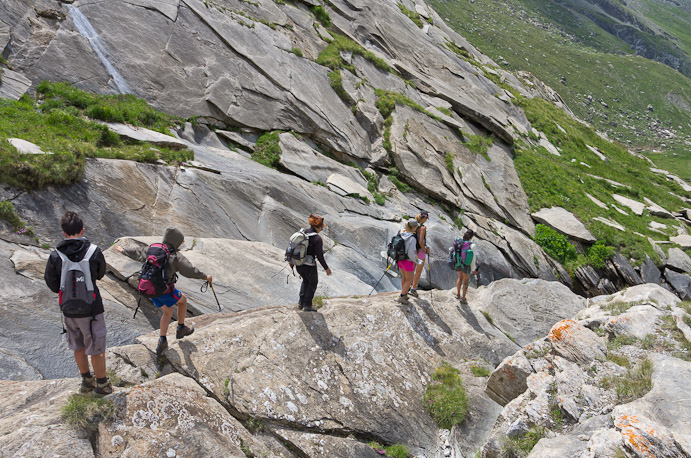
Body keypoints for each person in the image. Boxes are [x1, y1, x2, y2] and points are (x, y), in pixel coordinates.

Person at [44, 212, 112, 395]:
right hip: (92, 309)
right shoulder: (94, 251)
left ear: (64, 233)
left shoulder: (55, 255)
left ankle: (86, 381)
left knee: (77, 345)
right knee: (96, 347)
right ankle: (102, 385)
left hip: (68, 310)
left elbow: (51, 283)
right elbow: (100, 273)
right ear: (82, 230)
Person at [116, 228, 212, 355]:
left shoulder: (154, 249)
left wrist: (123, 250)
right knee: (183, 301)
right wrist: (205, 277)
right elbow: (190, 270)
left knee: (168, 311)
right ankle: (181, 328)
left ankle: (163, 340)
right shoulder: (175, 256)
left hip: (149, 288)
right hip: (164, 290)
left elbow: (138, 252)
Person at [296, 214, 332, 311]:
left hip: (298, 264)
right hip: (309, 266)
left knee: (305, 281)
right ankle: (307, 305)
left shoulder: (303, 233)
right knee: (313, 283)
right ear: (318, 227)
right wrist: (326, 268)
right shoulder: (317, 239)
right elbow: (319, 256)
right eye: (321, 227)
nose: (321, 229)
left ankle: (300, 303)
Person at [397, 219, 419, 304]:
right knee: (409, 280)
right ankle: (402, 297)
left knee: (404, 277)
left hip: (400, 260)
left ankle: (404, 294)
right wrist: (417, 261)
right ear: (414, 227)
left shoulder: (401, 233)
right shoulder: (412, 238)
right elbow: (412, 253)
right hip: (408, 262)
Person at [409, 211, 430, 296]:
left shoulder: (413, 225)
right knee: (418, 271)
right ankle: (413, 289)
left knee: (411, 269)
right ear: (424, 218)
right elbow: (421, 241)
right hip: (420, 251)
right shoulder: (423, 228)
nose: (426, 220)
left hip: (412, 250)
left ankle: (408, 286)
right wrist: (425, 250)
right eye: (426, 218)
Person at [455, 229, 478, 304]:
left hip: (458, 262)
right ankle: (463, 298)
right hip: (466, 265)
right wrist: (473, 269)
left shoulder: (459, 242)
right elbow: (473, 259)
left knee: (460, 277)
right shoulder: (472, 245)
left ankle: (458, 294)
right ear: (471, 237)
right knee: (466, 281)